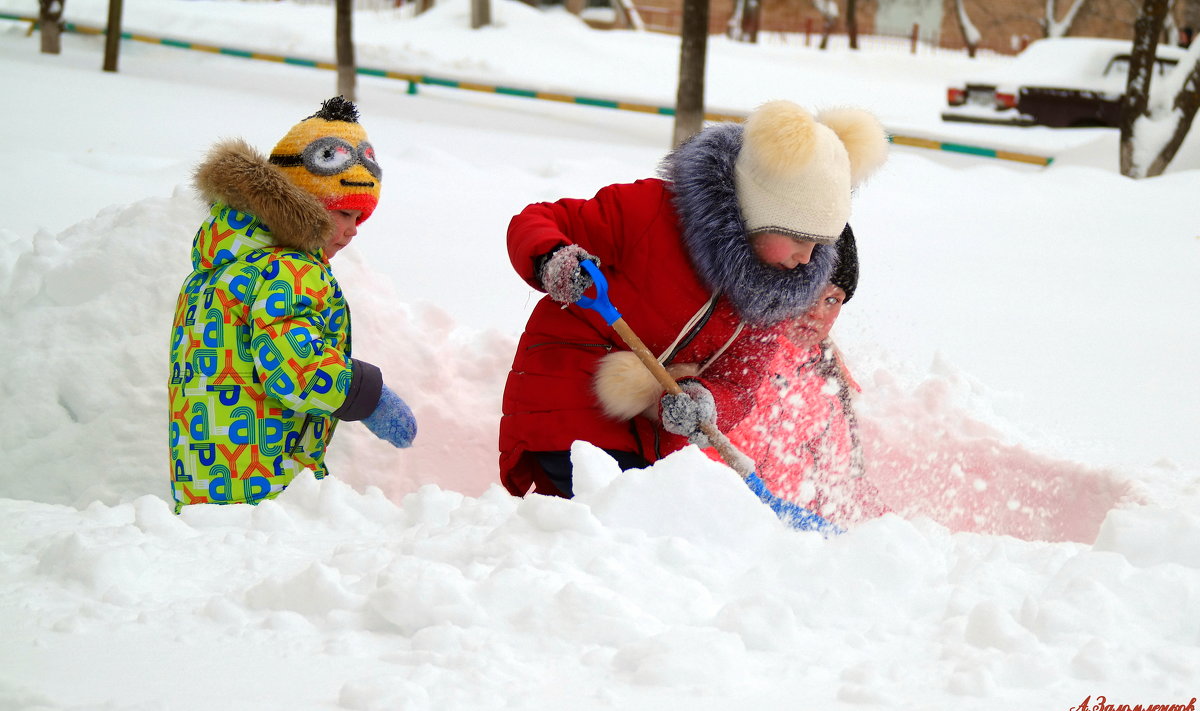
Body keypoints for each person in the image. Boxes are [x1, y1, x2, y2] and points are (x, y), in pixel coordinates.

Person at [500, 100, 888, 498]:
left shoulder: (769, 299)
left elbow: (740, 384)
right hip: (564, 392)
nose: (806, 259)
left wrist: (706, 401)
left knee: (645, 529)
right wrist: (552, 257)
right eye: (800, 239)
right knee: (615, 517)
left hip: (647, 442)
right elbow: (537, 222)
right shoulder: (651, 212)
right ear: (762, 212)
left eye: (818, 245)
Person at [168, 97, 416, 513]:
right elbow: (295, 368)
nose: (353, 231)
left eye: (360, 220)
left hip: (204, 478)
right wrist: (370, 397)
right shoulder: (289, 270)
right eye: (346, 214)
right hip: (266, 481)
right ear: (306, 205)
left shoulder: (219, 265)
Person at [724, 225, 890, 526]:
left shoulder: (828, 379)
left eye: (832, 300)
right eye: (811, 291)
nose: (816, 312)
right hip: (743, 530)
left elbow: (842, 482)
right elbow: (717, 464)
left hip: (802, 546)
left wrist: (879, 531)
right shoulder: (743, 357)